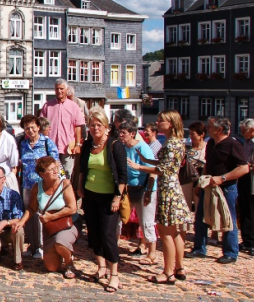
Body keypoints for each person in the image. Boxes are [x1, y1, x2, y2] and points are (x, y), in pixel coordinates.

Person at [129, 110, 193, 283]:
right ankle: (179, 268)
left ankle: (167, 272)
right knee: (176, 232)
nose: (157, 123)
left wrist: (139, 166)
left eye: (161, 121)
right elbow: (165, 164)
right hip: (174, 187)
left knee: (165, 233)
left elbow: (162, 170)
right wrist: (146, 160)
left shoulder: (172, 144)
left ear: (170, 123)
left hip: (168, 190)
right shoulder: (177, 142)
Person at [186, 116, 249, 264]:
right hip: (209, 186)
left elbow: (244, 168)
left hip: (226, 188)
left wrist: (223, 178)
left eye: (210, 126)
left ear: (219, 129)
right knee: (201, 217)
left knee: (228, 219)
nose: (207, 128)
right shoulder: (211, 144)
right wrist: (201, 182)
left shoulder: (233, 145)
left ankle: (230, 252)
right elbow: (208, 163)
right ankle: (199, 248)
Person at [77, 110, 127, 293]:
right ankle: (101, 268)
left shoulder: (115, 145)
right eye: (92, 125)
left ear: (106, 127)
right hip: (91, 195)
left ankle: (114, 274)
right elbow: (83, 168)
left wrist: (117, 197)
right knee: (94, 233)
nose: (95, 128)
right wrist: (80, 186)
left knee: (108, 235)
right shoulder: (88, 144)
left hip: (109, 198)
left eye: (99, 124)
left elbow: (122, 175)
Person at [14, 156, 79, 278]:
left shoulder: (65, 184)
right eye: (51, 170)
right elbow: (32, 208)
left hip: (65, 226)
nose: (56, 171)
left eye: (56, 168)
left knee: (60, 242)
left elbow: (72, 208)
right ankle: (58, 251)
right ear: (42, 174)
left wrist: (52, 216)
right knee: (51, 267)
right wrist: (22, 221)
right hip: (49, 229)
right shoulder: (37, 187)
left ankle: (69, 262)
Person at [18, 114, 59, 258]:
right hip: (27, 185)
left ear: (38, 127)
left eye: (32, 127)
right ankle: (32, 245)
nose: (30, 130)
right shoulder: (23, 144)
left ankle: (42, 246)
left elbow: (56, 163)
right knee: (29, 214)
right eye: (27, 128)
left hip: (43, 184)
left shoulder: (47, 143)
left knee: (41, 214)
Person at [118, 120, 157, 265]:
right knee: (120, 218)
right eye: (120, 132)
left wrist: (149, 190)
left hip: (144, 188)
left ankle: (152, 252)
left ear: (132, 134)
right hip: (128, 189)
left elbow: (153, 171)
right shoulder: (122, 147)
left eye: (124, 133)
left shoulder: (143, 148)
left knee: (146, 221)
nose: (121, 135)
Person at [40, 79, 85, 181]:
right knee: (50, 172)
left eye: (61, 89)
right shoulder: (48, 105)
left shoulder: (73, 106)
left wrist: (78, 145)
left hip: (67, 147)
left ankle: (64, 195)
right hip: (50, 146)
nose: (59, 91)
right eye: (57, 89)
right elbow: (41, 125)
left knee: (66, 173)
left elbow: (78, 126)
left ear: (67, 89)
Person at [238, 119, 254, 256]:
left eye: (244, 131)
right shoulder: (245, 143)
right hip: (244, 179)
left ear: (252, 129)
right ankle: (248, 240)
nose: (242, 133)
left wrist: (250, 166)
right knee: (244, 210)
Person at [183, 121, 207, 213]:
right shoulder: (186, 148)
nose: (191, 136)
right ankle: (185, 227)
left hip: (201, 179)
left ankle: (198, 225)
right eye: (190, 134)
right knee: (186, 206)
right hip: (187, 178)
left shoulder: (207, 147)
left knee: (200, 205)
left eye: (193, 134)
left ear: (202, 134)